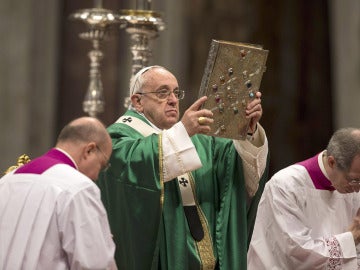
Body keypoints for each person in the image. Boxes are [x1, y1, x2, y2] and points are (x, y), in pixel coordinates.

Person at [97, 65, 269, 269]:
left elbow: (237, 171)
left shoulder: (197, 140)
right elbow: (130, 168)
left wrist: (246, 129)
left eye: (176, 93)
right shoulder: (118, 138)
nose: (173, 100)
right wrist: (183, 131)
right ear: (138, 101)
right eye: (162, 93)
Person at [0, 117, 117, 270]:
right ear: (89, 150)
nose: (96, 176)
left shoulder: (8, 180)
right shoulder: (79, 188)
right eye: (101, 166)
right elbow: (95, 264)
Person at [248, 127, 360, 269]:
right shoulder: (285, 186)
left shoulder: (351, 184)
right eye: (354, 180)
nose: (357, 189)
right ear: (332, 162)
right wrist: (352, 238)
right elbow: (297, 254)